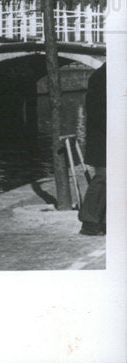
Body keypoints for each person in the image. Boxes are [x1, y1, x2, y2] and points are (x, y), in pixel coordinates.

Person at [78, 62, 106, 236]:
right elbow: (97, 112)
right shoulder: (101, 77)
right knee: (103, 177)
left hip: (112, 136)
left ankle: (103, 221)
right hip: (102, 138)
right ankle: (88, 221)